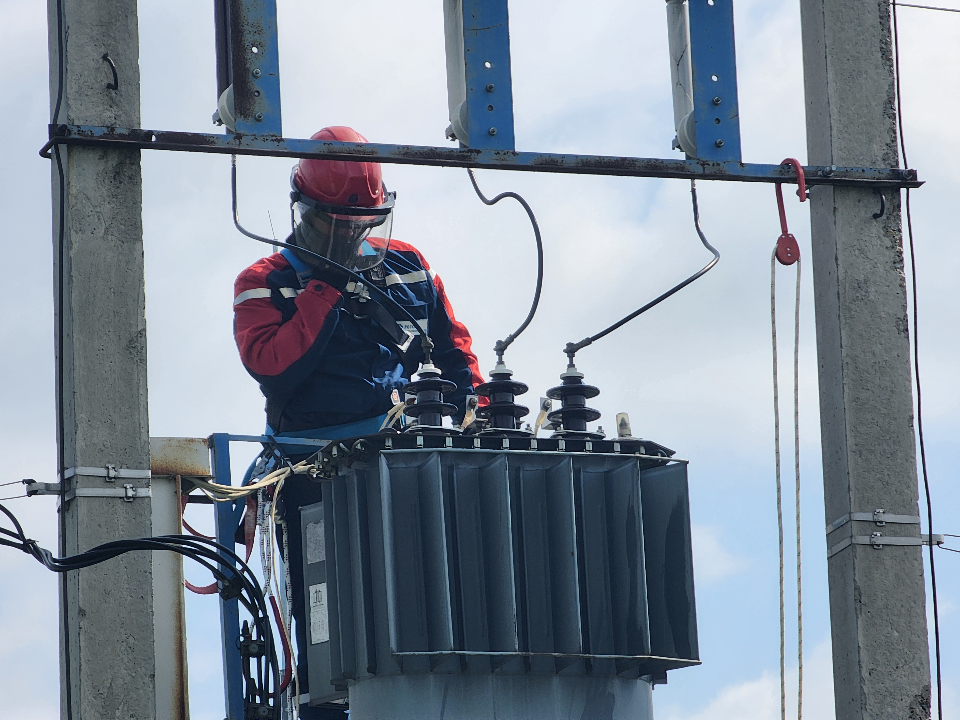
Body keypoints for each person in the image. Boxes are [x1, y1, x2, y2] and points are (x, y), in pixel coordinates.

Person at [232, 126, 483, 717]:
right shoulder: (265, 282)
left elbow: (454, 351)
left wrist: (480, 412)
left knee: (425, 598)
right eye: (338, 227)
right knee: (327, 611)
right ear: (307, 212)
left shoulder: (408, 266)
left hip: (403, 471)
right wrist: (325, 288)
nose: (353, 235)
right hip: (311, 478)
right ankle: (327, 704)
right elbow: (274, 366)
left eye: (363, 224)